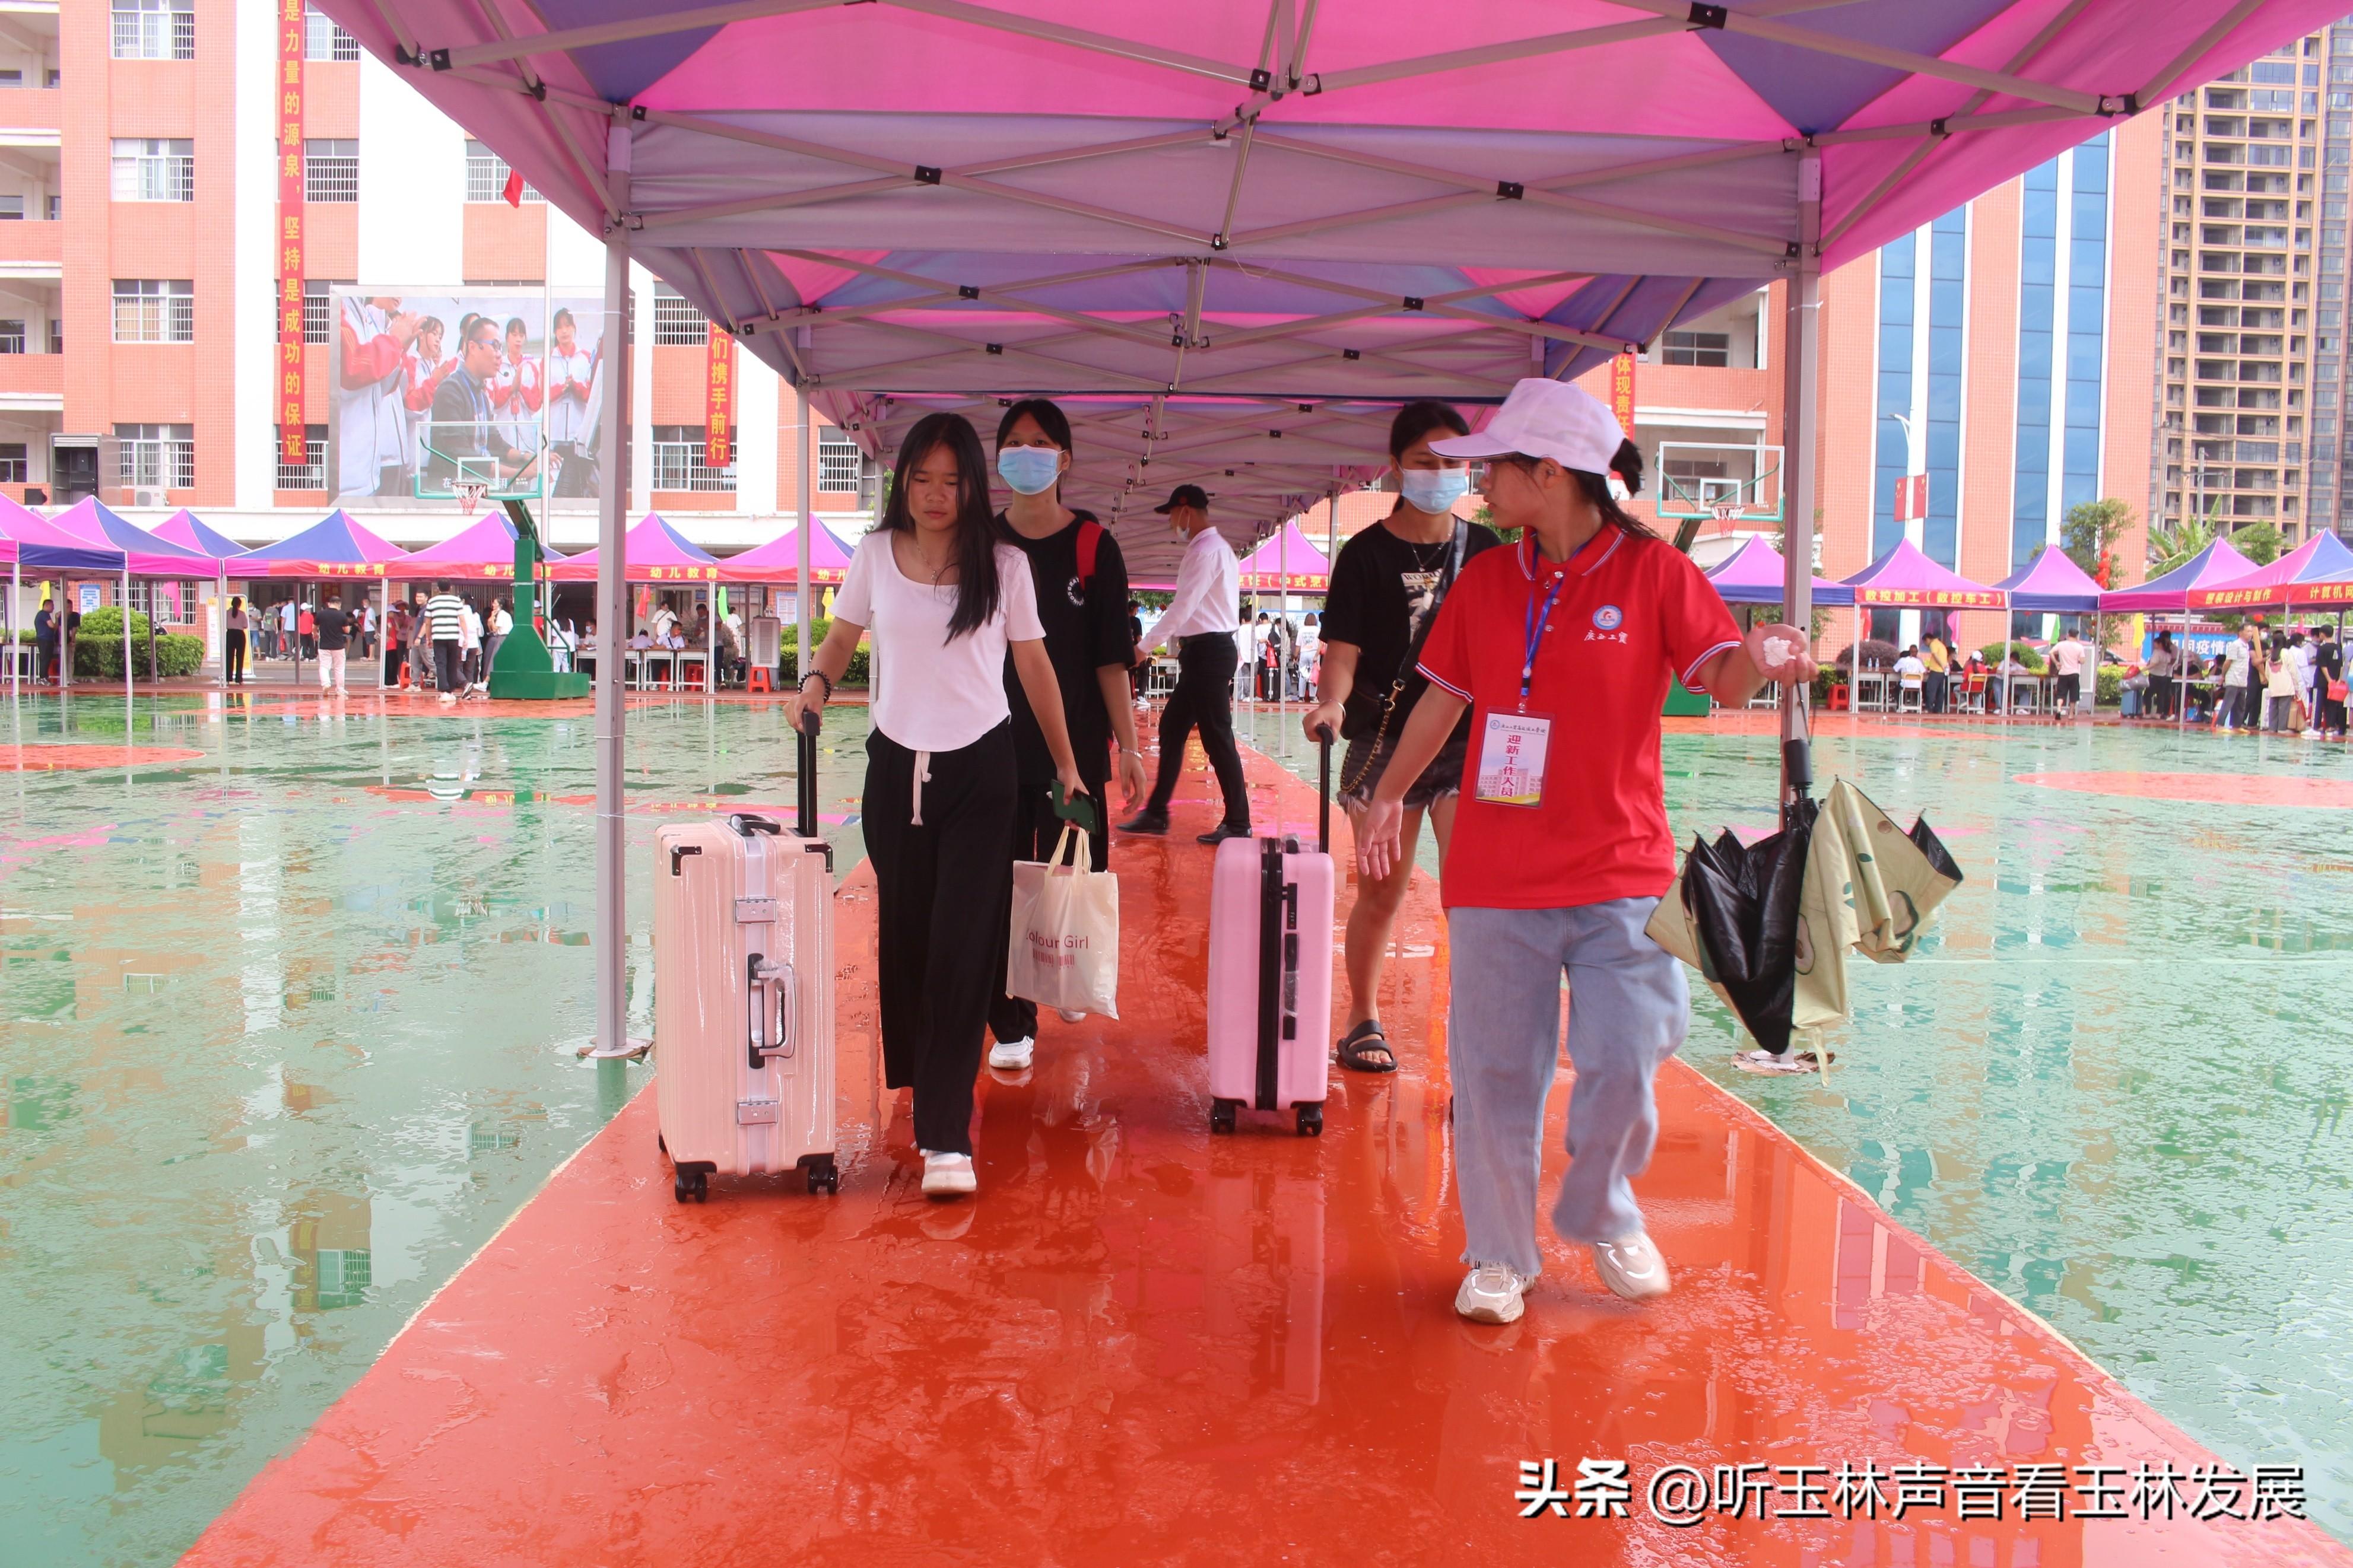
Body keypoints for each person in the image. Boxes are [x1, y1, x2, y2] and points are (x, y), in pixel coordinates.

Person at [1354, 377, 1811, 1322]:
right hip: (1496, 875)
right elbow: (1441, 698)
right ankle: (1499, 1252)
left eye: (1494, 466)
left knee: (1630, 1049)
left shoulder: (1656, 573)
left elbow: (1722, 679)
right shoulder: (1485, 579)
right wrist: (1388, 794)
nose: (1478, 482)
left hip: (1621, 870)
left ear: (1551, 473)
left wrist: (1763, 657)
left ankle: (1604, 1204)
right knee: (1495, 1074)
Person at [785, 412, 1088, 1200]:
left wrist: (1066, 763)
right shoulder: (874, 555)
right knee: (909, 938)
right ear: (903, 483)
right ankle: (927, 1086)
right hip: (894, 771)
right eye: (921, 478)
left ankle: (947, 1134)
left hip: (981, 772)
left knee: (962, 942)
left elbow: (1035, 667)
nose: (935, 494)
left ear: (972, 487)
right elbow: (841, 638)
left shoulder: (1004, 565)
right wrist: (814, 684)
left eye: (951, 481)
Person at [1306, 399, 1498, 1075]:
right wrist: (1330, 704)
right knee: (1382, 891)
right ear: (1395, 468)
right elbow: (1342, 652)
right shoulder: (1363, 554)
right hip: (1383, 743)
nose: (1439, 474)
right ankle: (1361, 1016)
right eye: (1424, 462)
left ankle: (1478, 1045)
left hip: (1468, 744)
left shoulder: (1487, 549)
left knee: (1474, 898)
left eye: (1452, 463)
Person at [981, 397, 1149, 1071]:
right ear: (998, 458)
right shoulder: (981, 544)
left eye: (1041, 444)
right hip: (990, 750)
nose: (1027, 455)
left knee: (1075, 871)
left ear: (1065, 459)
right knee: (996, 881)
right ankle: (1011, 1021)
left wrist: (1128, 746)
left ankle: (1063, 972)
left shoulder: (1091, 546)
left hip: (1072, 756)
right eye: (1014, 443)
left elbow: (1111, 659)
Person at [1118, 485, 1251, 842]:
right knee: (1174, 727)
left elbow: (1182, 607)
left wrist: (1143, 648)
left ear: (1186, 512)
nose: (1171, 523)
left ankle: (1239, 822)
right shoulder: (1214, 549)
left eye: (1173, 516)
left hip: (1209, 652)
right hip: (1204, 653)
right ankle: (1158, 813)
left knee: (1217, 737)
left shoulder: (1207, 551)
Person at [424, 316, 541, 491]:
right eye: (494, 346)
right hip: (452, 494)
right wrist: (519, 474)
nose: (499, 354)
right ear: (472, 347)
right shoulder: (450, 391)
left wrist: (528, 457)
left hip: (475, 489)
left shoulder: (481, 394)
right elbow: (461, 456)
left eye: (500, 347)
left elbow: (495, 443)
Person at [336, 295, 421, 497]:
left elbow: (380, 388)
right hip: (348, 479)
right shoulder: (340, 303)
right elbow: (353, 367)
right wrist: (394, 342)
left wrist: (400, 349)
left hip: (369, 472)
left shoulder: (361, 312)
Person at [545, 308, 594, 483]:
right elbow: (542, 395)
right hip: (554, 434)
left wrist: (575, 387)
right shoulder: (548, 358)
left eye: (567, 326)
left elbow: (590, 395)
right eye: (559, 328)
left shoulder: (586, 358)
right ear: (554, 332)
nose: (564, 331)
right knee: (554, 483)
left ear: (574, 328)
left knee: (579, 482)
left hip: (578, 433)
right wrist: (562, 388)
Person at [424, 580, 467, 705]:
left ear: (438, 588)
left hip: (438, 636)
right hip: (453, 637)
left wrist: (428, 638)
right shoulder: (456, 601)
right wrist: (466, 637)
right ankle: (451, 691)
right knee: (452, 664)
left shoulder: (432, 602)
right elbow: (462, 620)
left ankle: (444, 691)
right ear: (451, 588)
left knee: (441, 663)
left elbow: (428, 622)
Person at [313, 596, 351, 694]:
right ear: (339, 604)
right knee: (339, 668)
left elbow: (314, 627)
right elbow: (347, 630)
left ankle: (326, 684)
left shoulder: (321, 614)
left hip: (324, 645)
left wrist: (315, 634)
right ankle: (340, 689)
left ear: (329, 604)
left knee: (324, 666)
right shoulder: (342, 615)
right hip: (338, 645)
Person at [2047, 627, 2085, 721]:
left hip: (2063, 673)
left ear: (2068, 635)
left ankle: (2059, 709)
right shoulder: (2079, 647)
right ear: (2077, 636)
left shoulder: (2061, 644)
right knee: (2073, 695)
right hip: (2074, 673)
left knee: (2061, 694)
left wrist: (2057, 663)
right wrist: (2078, 661)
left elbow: (2051, 652)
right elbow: (2082, 661)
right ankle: (2071, 714)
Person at [2315, 627, 2346, 737]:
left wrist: (2329, 680)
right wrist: (2338, 680)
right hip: (2335, 681)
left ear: (2322, 634)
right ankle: (2330, 727)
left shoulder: (2322, 648)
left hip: (2323, 681)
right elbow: (2341, 665)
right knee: (2332, 704)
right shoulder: (2338, 648)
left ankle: (2316, 726)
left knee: (2319, 704)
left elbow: (2322, 665)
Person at [2221, 627, 2254, 730]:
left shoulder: (2247, 646)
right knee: (2228, 703)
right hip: (2233, 679)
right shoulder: (2236, 645)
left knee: (2240, 705)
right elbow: (2228, 662)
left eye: (2251, 631)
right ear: (2241, 632)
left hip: (2242, 681)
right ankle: (2220, 725)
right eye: (2248, 631)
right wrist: (2223, 676)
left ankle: (2237, 726)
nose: (2250, 634)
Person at [2147, 632, 2177, 720]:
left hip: (2165, 674)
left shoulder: (2172, 649)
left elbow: (2173, 661)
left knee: (2164, 694)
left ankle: (2163, 712)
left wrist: (2163, 666)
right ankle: (2159, 712)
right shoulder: (2163, 651)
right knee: (2161, 694)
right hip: (2162, 673)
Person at [1921, 626, 1950, 713]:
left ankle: (1929, 708)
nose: (1925, 645)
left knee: (1931, 690)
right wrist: (1944, 667)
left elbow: (1936, 656)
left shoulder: (1933, 644)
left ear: (1927, 639)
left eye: (1925, 642)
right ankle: (1938, 709)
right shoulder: (1940, 644)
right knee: (1940, 691)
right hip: (1941, 672)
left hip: (1936, 670)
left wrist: (1942, 665)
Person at [1892, 644, 1927, 708]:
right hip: (1917, 685)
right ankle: (1917, 706)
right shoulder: (1918, 661)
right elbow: (1924, 671)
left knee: (1897, 689)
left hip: (1905, 685)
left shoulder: (1902, 660)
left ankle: (1900, 706)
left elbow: (1895, 669)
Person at [486, 596, 513, 677]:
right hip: (504, 638)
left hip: (502, 637)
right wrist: (492, 617)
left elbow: (494, 629)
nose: (493, 605)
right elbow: (490, 625)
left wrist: (492, 618)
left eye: (495, 603)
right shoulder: (503, 614)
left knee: (494, 659)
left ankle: (487, 680)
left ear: (500, 605)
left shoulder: (502, 614)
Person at [224, 596, 247, 685]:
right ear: (239, 604)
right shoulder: (242, 614)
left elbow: (224, 624)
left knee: (229, 657)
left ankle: (228, 678)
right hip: (240, 635)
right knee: (240, 657)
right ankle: (239, 679)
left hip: (230, 634)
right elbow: (245, 625)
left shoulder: (226, 613)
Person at [33, 596, 56, 685]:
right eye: (52, 606)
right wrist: (57, 619)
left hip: (47, 639)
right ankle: (42, 678)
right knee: (45, 658)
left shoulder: (44, 614)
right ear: (46, 605)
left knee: (47, 658)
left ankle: (45, 677)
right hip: (44, 639)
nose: (53, 608)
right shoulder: (44, 614)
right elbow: (52, 626)